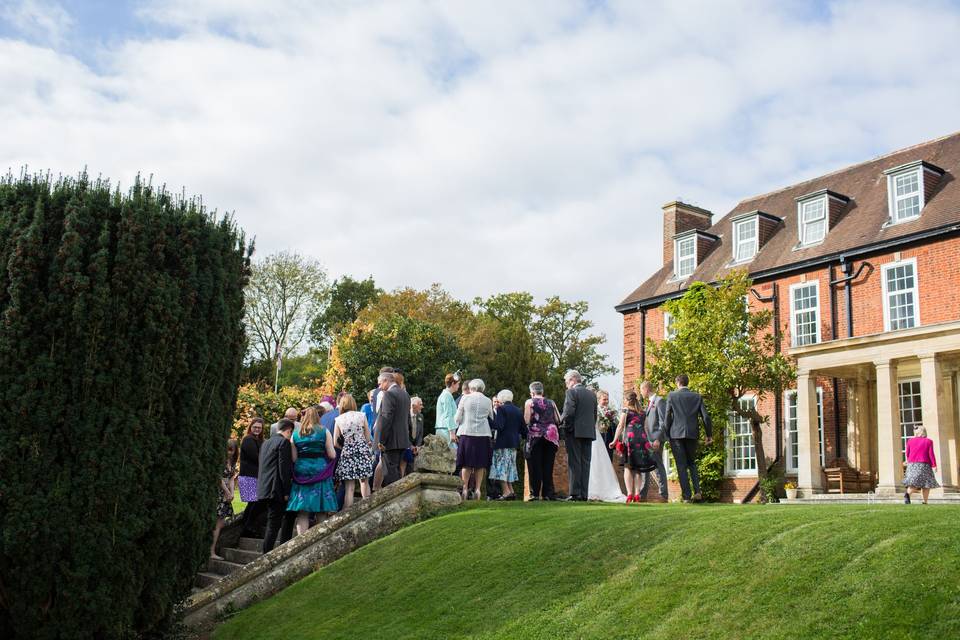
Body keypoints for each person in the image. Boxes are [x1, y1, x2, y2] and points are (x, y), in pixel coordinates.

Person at [287, 406, 338, 534]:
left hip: (301, 472)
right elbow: (332, 455)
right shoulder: (324, 431)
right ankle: (320, 539)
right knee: (321, 508)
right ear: (318, 417)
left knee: (303, 512)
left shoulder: (295, 434)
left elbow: (293, 458)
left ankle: (301, 541)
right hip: (320, 471)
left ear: (303, 417)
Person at [664, 374, 713, 502]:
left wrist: (666, 434)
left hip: (676, 435)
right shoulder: (697, 396)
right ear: (687, 383)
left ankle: (686, 496)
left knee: (681, 465)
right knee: (692, 463)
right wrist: (709, 435)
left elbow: (667, 417)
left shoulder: (672, 396)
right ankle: (697, 492)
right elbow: (706, 417)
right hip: (692, 434)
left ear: (677, 383)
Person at [610, 392, 657, 503]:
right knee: (638, 469)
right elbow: (646, 428)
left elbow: (620, 426)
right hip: (642, 441)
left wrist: (614, 440)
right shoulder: (642, 412)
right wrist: (649, 442)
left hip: (630, 441)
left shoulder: (625, 411)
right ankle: (637, 494)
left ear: (627, 400)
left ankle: (629, 494)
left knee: (628, 467)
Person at [560, 370, 598, 502]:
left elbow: (569, 412)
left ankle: (575, 493)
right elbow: (594, 415)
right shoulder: (592, 394)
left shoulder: (571, 392)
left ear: (572, 380)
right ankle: (584, 493)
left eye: (566, 382)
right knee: (585, 463)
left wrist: (563, 423)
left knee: (574, 462)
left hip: (575, 432)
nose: (566, 385)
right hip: (588, 432)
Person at [258, 419, 295, 553]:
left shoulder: (265, 443)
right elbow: (283, 468)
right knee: (278, 523)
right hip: (277, 489)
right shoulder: (283, 442)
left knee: (274, 522)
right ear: (288, 431)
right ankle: (269, 553)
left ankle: (270, 551)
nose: (290, 436)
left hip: (265, 488)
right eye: (291, 433)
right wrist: (286, 491)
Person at [455, 378, 494, 500]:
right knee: (480, 464)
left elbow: (457, 418)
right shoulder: (488, 400)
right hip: (483, 435)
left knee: (466, 464)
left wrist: (459, 424)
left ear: (471, 388)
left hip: (467, 433)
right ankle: (477, 489)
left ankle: (465, 488)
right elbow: (491, 416)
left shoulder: (465, 398)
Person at [334, 394, 375, 509]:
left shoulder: (339, 419)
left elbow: (335, 442)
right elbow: (367, 437)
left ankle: (347, 515)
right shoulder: (361, 416)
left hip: (347, 452)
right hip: (362, 451)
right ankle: (368, 508)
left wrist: (346, 447)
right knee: (364, 482)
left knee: (349, 488)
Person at [523, 382, 560, 500]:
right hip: (551, 435)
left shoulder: (529, 402)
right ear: (542, 392)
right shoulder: (551, 402)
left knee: (535, 465)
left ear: (532, 392)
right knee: (548, 465)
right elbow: (558, 419)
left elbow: (527, 420)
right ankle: (547, 493)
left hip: (535, 435)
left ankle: (535, 493)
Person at [375, 371, 412, 486]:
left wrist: (381, 440)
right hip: (402, 440)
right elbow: (408, 419)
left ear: (386, 381)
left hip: (390, 441)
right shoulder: (405, 394)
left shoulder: (389, 394)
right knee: (396, 470)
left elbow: (386, 419)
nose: (380, 387)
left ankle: (395, 501)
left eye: (380, 383)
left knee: (390, 474)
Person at [489, 390, 525, 500]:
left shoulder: (501, 409)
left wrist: (488, 419)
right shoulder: (518, 410)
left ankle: (505, 492)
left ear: (501, 399)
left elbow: (499, 426)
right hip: (513, 443)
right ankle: (511, 491)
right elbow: (523, 430)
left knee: (500, 468)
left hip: (502, 442)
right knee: (510, 467)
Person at [638, 381, 669, 503]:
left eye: (641, 390)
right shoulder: (649, 403)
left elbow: (663, 422)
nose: (641, 393)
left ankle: (663, 495)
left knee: (658, 466)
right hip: (647, 440)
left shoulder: (659, 401)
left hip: (655, 440)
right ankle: (642, 495)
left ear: (646, 389)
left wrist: (658, 439)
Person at [211, 439, 239, 560]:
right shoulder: (220, 460)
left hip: (226, 494)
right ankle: (211, 552)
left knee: (220, 523)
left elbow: (232, 478)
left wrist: (232, 493)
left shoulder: (232, 462)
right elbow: (219, 477)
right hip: (220, 493)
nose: (229, 453)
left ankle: (211, 550)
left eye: (232, 451)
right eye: (228, 450)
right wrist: (227, 492)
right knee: (217, 523)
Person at [238, 418, 267, 536]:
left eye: (259, 428)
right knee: (254, 503)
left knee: (254, 503)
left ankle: (247, 527)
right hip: (249, 476)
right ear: (250, 427)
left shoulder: (259, 440)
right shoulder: (248, 440)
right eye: (255, 427)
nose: (257, 430)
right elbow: (256, 458)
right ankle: (247, 527)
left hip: (255, 476)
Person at [903, 425, 939, 504]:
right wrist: (934, 465)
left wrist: (910, 461)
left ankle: (908, 494)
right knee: (926, 483)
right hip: (924, 464)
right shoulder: (928, 441)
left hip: (912, 464)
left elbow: (907, 453)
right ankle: (924, 501)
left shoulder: (910, 441)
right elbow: (931, 454)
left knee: (914, 482)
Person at [435, 374, 460, 449]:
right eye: (458, 384)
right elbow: (448, 415)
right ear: (453, 384)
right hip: (445, 430)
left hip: (445, 429)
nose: (459, 386)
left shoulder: (446, 395)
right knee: (453, 456)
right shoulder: (446, 396)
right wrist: (452, 433)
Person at [402, 397, 425, 476]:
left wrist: (417, 446)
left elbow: (420, 434)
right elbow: (404, 433)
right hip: (405, 445)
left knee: (412, 469)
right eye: (420, 404)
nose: (422, 406)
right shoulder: (405, 416)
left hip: (415, 448)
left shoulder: (420, 416)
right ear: (413, 405)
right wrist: (410, 446)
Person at [596, 390, 617, 460]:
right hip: (598, 436)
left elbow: (615, 423)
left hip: (609, 437)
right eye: (604, 399)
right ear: (598, 400)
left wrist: (611, 418)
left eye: (607, 399)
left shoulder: (611, 410)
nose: (606, 401)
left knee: (609, 457)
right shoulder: (595, 410)